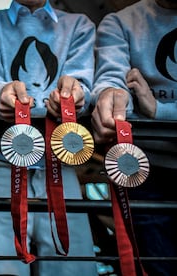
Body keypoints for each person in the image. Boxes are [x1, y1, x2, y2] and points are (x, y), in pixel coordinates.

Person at [0, 0, 98, 275]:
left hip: (60, 166)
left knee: (72, 270)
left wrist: (77, 96)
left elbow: (86, 86)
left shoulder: (79, 26)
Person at [91, 0, 177, 275]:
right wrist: (110, 99)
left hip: (149, 160)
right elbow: (112, 78)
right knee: (157, 267)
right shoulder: (120, 23)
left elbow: (151, 108)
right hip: (143, 170)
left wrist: (158, 110)